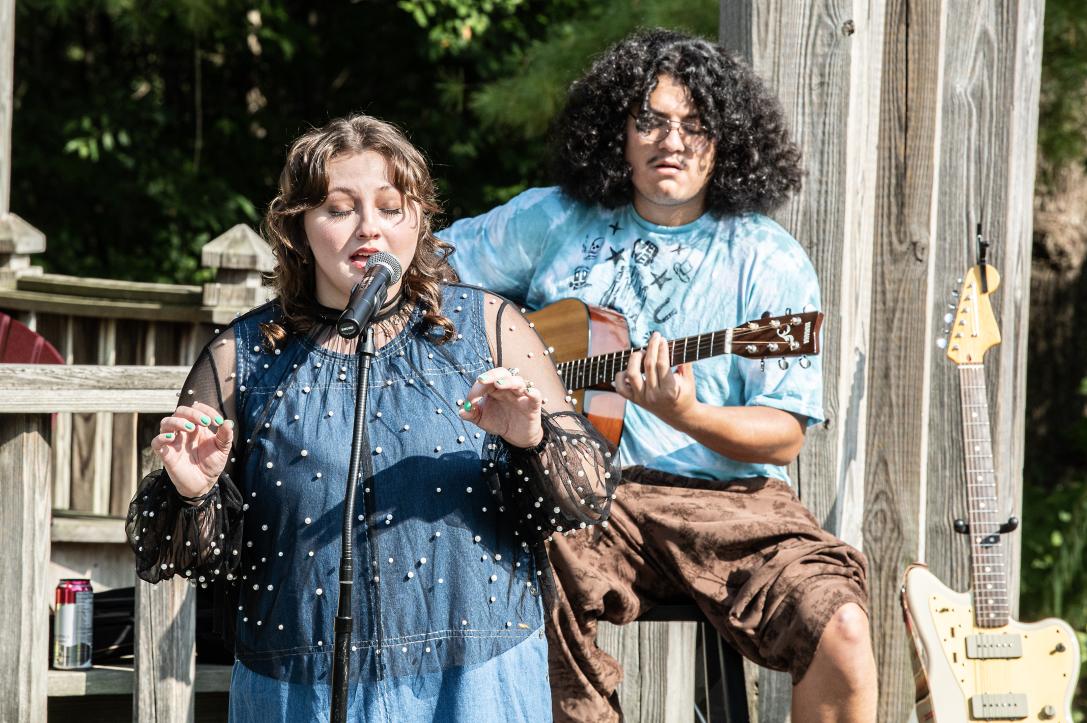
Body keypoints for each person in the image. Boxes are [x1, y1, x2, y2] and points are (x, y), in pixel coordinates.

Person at [437, 28, 878, 723]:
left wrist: (688, 415)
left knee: (841, 626)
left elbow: (783, 435)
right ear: (616, 130)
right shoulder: (556, 218)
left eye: (694, 125)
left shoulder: (766, 257)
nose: (670, 140)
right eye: (649, 119)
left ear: (725, 140)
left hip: (732, 499)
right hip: (583, 487)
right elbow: (428, 267)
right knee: (511, 571)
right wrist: (501, 348)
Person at [125, 113, 619, 722]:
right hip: (300, 681)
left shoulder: (489, 327)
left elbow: (584, 499)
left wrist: (532, 440)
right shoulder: (242, 355)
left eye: (391, 207)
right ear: (298, 228)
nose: (371, 229)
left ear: (419, 219)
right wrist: (193, 494)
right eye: (339, 209)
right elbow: (183, 560)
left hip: (475, 678)